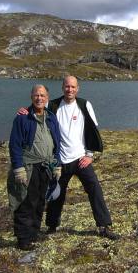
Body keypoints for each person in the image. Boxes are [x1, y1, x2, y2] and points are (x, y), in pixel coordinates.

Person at [42, 75, 117, 239]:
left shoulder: (84, 105)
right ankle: (52, 226)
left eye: (73, 87)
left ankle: (103, 226)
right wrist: (25, 111)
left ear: (78, 88)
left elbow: (92, 130)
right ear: (62, 87)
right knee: (56, 193)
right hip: (60, 161)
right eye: (67, 86)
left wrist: (90, 155)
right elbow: (36, 110)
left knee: (94, 188)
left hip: (80, 158)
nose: (70, 89)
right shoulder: (53, 105)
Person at [8, 85, 61, 251]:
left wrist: (56, 165)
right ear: (31, 97)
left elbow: (56, 144)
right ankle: (23, 239)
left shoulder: (51, 117)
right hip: (29, 167)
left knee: (40, 201)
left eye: (42, 95)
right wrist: (18, 168)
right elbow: (15, 145)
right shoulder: (23, 118)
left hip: (46, 166)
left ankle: (34, 234)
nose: (39, 98)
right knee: (26, 202)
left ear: (47, 97)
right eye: (36, 95)